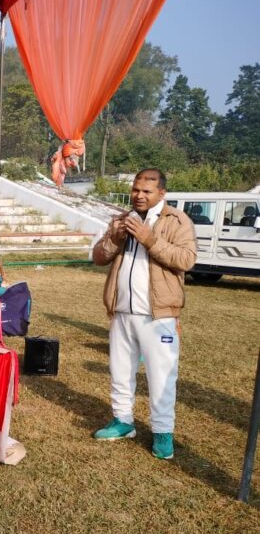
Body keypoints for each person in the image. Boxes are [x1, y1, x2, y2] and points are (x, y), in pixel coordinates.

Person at [92, 168, 196, 460]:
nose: (139, 195)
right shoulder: (122, 219)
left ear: (162, 193)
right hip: (122, 310)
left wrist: (150, 240)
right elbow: (98, 257)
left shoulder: (177, 221)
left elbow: (186, 259)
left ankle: (163, 433)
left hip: (158, 315)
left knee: (161, 377)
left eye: (147, 191)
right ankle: (122, 421)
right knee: (120, 371)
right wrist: (115, 238)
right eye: (136, 190)